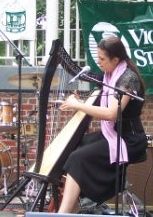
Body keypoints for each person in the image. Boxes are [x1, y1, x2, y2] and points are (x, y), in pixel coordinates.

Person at [58, 36, 148, 213]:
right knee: (72, 147)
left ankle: (64, 213)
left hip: (128, 139)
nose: (98, 63)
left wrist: (78, 105)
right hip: (113, 134)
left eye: (102, 59)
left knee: (79, 158)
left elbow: (111, 114)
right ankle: (75, 205)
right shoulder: (109, 76)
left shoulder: (127, 79)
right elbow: (101, 104)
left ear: (116, 59)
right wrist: (79, 102)